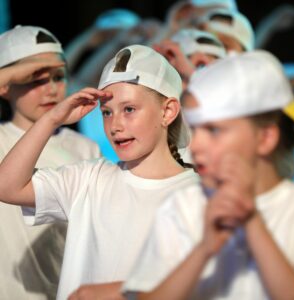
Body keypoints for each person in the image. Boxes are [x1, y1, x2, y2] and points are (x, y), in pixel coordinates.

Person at [0, 44, 199, 300]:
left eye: (129, 109)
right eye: (106, 112)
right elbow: (7, 186)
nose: (115, 125)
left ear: (168, 111)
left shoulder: (197, 195)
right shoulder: (89, 178)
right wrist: (51, 119)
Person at [122, 50, 294, 300]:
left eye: (214, 130)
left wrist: (253, 224)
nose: (196, 145)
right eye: (195, 129)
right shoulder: (182, 207)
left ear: (265, 138)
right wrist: (204, 249)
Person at [0, 25, 100, 300]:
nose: (51, 89)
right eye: (35, 80)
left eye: (59, 76)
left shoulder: (83, 146)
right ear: (6, 86)